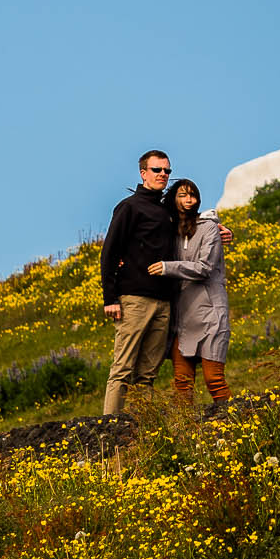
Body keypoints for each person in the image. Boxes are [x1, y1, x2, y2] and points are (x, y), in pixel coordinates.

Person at [99, 148, 180, 416]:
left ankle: (142, 428)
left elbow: (192, 219)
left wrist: (218, 228)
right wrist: (110, 298)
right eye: (157, 170)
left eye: (167, 170)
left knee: (148, 373)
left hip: (163, 301)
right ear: (143, 173)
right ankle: (109, 427)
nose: (163, 175)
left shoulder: (167, 209)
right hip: (134, 298)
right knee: (122, 368)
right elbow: (109, 252)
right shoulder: (129, 207)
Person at [147, 177, 231, 410]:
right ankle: (186, 438)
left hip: (211, 315)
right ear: (173, 200)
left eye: (192, 195)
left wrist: (168, 267)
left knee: (214, 380)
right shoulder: (170, 230)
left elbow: (205, 268)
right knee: (182, 386)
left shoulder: (209, 229)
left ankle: (234, 425)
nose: (189, 200)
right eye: (182, 195)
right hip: (182, 319)